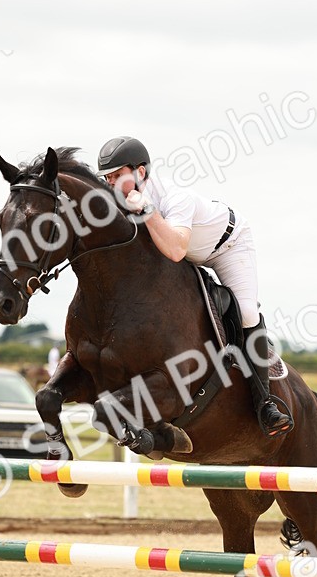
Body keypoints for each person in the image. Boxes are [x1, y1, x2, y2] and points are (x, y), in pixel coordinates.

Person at [96, 135, 293, 436]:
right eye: (107, 178)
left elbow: (175, 250)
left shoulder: (176, 198)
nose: (111, 185)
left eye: (117, 176)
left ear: (140, 173)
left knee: (246, 313)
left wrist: (148, 211)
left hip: (228, 247)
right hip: (191, 254)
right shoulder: (121, 202)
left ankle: (265, 402)